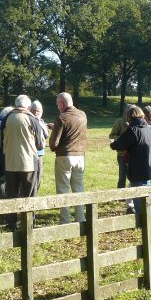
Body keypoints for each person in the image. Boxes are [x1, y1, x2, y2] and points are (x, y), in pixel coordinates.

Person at [1, 94, 44, 230]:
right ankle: (28, 223)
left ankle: (11, 223)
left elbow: (0, 141)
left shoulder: (6, 118)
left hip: (10, 162)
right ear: (28, 106)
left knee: (11, 194)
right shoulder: (31, 119)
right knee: (29, 194)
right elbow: (40, 143)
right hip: (28, 164)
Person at [110, 105, 151, 216]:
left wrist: (112, 143)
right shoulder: (149, 128)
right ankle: (146, 217)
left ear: (129, 117)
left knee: (138, 195)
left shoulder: (132, 130)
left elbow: (119, 145)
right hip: (148, 166)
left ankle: (142, 219)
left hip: (136, 168)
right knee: (146, 193)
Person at [49, 92, 88, 224]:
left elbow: (54, 144)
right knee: (78, 188)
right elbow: (72, 130)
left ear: (61, 103)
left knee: (63, 189)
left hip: (64, 156)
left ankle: (65, 221)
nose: (57, 107)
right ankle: (80, 218)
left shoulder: (62, 118)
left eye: (57, 104)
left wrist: (54, 132)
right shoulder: (82, 115)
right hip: (80, 157)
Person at [110, 104, 136, 213]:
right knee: (122, 175)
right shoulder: (119, 122)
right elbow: (111, 136)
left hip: (134, 154)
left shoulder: (136, 122)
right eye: (129, 110)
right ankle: (120, 195)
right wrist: (121, 139)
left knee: (133, 176)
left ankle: (132, 195)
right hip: (122, 154)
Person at [29, 100, 49, 196]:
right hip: (31, 155)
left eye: (38, 111)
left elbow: (46, 135)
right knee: (31, 180)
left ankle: (35, 197)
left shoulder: (41, 122)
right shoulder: (28, 120)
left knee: (38, 178)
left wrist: (40, 123)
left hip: (40, 154)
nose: (36, 113)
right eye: (33, 111)